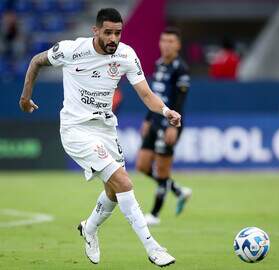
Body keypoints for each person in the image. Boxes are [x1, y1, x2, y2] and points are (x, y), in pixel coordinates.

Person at [19, 8, 179, 267]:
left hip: (106, 129)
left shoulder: (126, 54)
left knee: (114, 193)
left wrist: (165, 110)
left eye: (117, 33)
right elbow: (37, 60)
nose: (113, 38)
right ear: (95, 31)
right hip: (76, 129)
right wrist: (26, 97)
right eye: (108, 33)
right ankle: (153, 247)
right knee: (124, 183)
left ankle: (89, 228)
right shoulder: (72, 50)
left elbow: (147, 94)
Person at [135, 27, 192, 226]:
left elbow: (180, 99)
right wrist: (148, 119)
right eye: (164, 40)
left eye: (171, 41)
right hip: (155, 121)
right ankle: (178, 190)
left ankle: (155, 215)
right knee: (141, 165)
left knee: (161, 170)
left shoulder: (181, 68)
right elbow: (154, 96)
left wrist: (173, 126)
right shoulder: (159, 64)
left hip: (170, 123)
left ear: (178, 45)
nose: (166, 45)